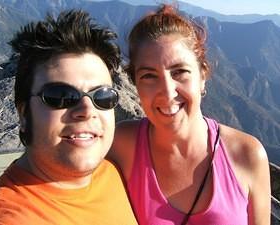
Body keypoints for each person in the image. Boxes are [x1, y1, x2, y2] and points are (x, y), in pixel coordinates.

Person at [109, 4, 271, 225]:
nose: (167, 91)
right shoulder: (120, 145)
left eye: (179, 72)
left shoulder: (247, 155)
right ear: (135, 83)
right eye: (149, 76)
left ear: (202, 75)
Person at [0, 10, 138, 225]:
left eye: (102, 97)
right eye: (60, 96)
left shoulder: (113, 172)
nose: (86, 109)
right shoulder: (5, 217)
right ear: (24, 113)